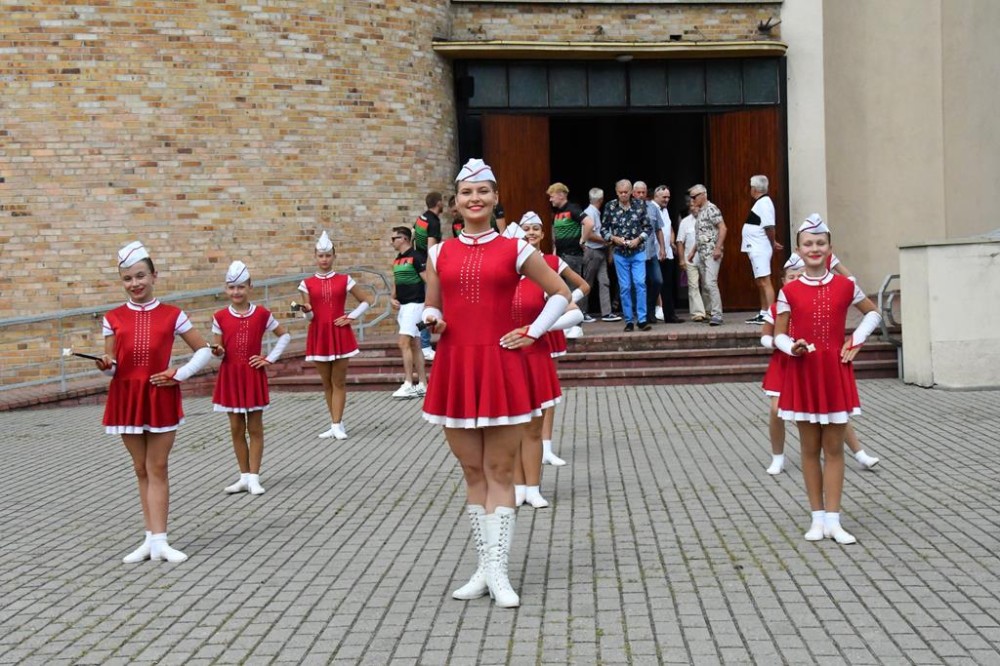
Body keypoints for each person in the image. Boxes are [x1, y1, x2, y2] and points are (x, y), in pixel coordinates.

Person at [422, 159, 571, 609]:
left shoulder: (515, 248)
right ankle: (484, 568)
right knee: (472, 471)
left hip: (502, 367)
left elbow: (561, 293)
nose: (475, 199)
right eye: (467, 192)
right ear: (456, 202)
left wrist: (535, 331)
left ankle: (499, 571)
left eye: (483, 191)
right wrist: (433, 320)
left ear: (495, 197)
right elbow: (432, 305)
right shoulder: (438, 253)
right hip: (456, 367)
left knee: (501, 471)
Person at [99, 241, 214, 564]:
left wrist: (180, 373)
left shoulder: (173, 315)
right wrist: (106, 366)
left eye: (140, 276)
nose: (134, 283)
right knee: (140, 468)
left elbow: (204, 350)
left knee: (158, 466)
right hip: (126, 398)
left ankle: (162, 539)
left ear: (154, 276)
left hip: (160, 394)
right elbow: (115, 364)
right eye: (127, 279)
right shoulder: (112, 317)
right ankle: (150, 539)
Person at [773, 215, 882, 545]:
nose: (814, 248)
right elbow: (779, 334)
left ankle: (834, 520)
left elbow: (873, 313)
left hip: (834, 373)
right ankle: (817, 518)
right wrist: (791, 347)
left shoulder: (846, 286)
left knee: (834, 449)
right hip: (804, 373)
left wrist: (856, 340)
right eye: (808, 244)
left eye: (820, 243)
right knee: (809, 449)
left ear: (830, 249)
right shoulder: (789, 290)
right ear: (798, 250)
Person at [762, 248, 881, 474]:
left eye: (799, 275)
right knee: (777, 410)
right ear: (783, 280)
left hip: (813, 362)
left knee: (833, 410)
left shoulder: (814, 295)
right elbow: (767, 336)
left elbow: (851, 288)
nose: (795, 279)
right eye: (791, 276)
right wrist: (782, 345)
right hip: (785, 362)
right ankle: (777, 457)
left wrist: (855, 339)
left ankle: (859, 453)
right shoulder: (778, 306)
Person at [511, 212, 585, 508]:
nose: (527, 236)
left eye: (534, 230)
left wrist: (538, 329)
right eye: (523, 232)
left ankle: (533, 487)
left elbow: (575, 312)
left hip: (534, 357)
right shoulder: (502, 280)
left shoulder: (542, 276)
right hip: (505, 358)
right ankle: (517, 487)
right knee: (511, 426)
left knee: (532, 425)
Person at [211, 261, 291, 496]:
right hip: (230, 376)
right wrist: (218, 351)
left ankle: (255, 477)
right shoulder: (219, 316)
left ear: (250, 287)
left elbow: (284, 335)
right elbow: (218, 348)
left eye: (240, 287)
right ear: (226, 289)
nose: (236, 292)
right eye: (231, 287)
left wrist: (269, 358)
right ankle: (243, 477)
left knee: (255, 427)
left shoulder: (262, 314)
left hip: (253, 375)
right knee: (236, 428)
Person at [297, 230, 375, 440]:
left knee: (338, 381)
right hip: (318, 334)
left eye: (328, 255)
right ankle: (335, 422)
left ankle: (337, 423)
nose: (324, 259)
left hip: (340, 334)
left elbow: (367, 300)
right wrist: (306, 311)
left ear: (334, 256)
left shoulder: (344, 279)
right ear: (315, 257)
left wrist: (351, 317)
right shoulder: (306, 284)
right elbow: (309, 316)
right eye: (320, 256)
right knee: (326, 383)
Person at [602, 179, 652, 331]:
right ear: (616, 192)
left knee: (640, 283)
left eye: (626, 192)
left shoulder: (640, 205)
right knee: (625, 287)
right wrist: (613, 238)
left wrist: (638, 239)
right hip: (620, 253)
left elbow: (648, 227)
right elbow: (603, 229)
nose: (623, 195)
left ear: (631, 192)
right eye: (620, 192)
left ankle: (642, 319)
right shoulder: (610, 206)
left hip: (638, 251)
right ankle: (629, 321)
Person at [389, 226, 428, 399]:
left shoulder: (417, 257)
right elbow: (396, 281)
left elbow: (429, 280)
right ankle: (423, 384)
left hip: (416, 306)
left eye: (394, 238)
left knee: (403, 343)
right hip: (404, 307)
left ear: (404, 238)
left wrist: (430, 305)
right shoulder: (397, 259)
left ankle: (408, 383)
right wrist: (392, 297)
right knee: (415, 345)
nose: (392, 242)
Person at [743, 175, 783, 325]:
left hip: (760, 247)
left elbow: (769, 227)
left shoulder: (764, 203)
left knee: (765, 281)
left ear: (754, 189)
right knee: (760, 281)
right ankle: (763, 312)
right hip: (756, 247)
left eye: (750, 187)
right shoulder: (761, 203)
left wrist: (772, 243)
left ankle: (771, 315)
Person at [689, 184, 726, 326]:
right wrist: (693, 251)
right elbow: (701, 234)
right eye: (691, 197)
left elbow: (723, 228)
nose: (692, 200)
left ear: (703, 195)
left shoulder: (711, 209)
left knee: (710, 282)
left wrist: (718, 248)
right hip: (702, 253)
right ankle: (710, 311)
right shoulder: (701, 211)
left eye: (694, 197)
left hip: (711, 252)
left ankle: (717, 314)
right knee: (705, 284)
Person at [581, 187, 619, 322]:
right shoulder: (589, 213)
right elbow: (590, 235)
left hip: (600, 251)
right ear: (601, 200)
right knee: (587, 283)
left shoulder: (594, 212)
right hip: (592, 251)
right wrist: (607, 240)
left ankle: (606, 313)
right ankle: (582, 312)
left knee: (604, 281)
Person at [414, 192, 443, 360]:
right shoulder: (433, 221)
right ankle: (425, 345)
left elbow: (414, 238)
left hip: (418, 265)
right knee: (429, 307)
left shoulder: (421, 218)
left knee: (423, 308)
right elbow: (432, 249)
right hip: (427, 268)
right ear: (438, 203)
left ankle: (423, 343)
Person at [632, 181, 666, 326]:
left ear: (647, 193)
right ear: (633, 193)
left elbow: (658, 229)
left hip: (651, 252)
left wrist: (662, 248)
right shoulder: (628, 209)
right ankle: (642, 314)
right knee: (639, 284)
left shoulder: (652, 208)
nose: (641, 195)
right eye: (638, 192)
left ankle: (650, 307)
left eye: (643, 192)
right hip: (635, 253)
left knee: (658, 281)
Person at [653, 185, 682, 323]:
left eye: (668, 197)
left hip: (668, 253)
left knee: (668, 285)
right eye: (664, 197)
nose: (666, 200)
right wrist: (661, 248)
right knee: (655, 283)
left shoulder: (665, 210)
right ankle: (651, 314)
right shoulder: (651, 209)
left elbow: (668, 228)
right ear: (656, 196)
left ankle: (669, 315)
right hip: (655, 253)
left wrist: (671, 242)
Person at [676, 196, 707, 322]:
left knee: (707, 285)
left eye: (696, 206)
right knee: (693, 286)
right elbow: (680, 241)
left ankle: (708, 311)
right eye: (691, 206)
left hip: (705, 259)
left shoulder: (707, 219)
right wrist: (681, 260)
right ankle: (698, 313)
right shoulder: (685, 222)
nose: (694, 208)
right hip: (690, 259)